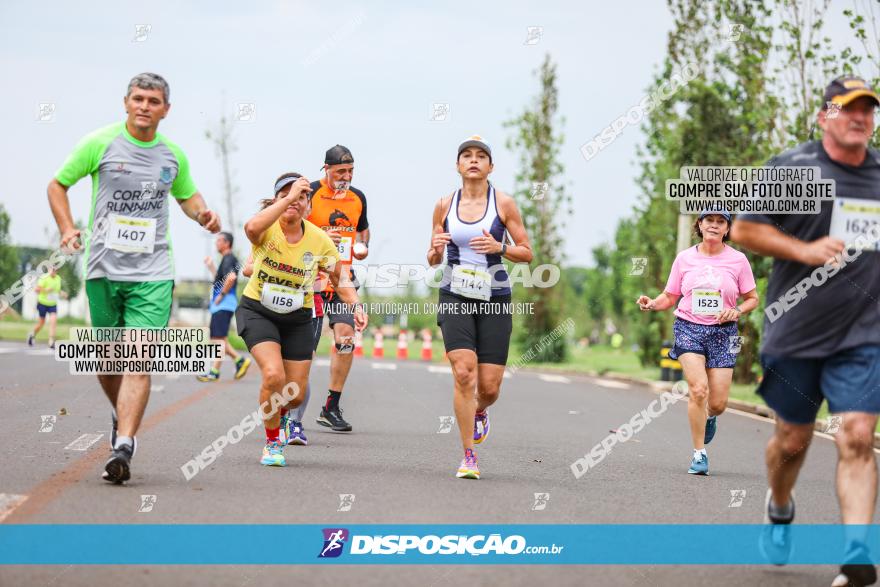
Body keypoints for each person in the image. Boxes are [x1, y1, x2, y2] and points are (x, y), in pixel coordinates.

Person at [731, 76, 880, 587]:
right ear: (824, 117)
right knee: (791, 440)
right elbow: (744, 230)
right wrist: (805, 250)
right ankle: (778, 504)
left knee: (858, 435)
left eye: (868, 110)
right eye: (849, 109)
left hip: (865, 333)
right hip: (797, 329)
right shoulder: (796, 169)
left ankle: (858, 555)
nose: (861, 118)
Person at [47, 72, 221, 484]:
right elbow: (57, 184)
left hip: (153, 271)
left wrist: (204, 213)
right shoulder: (99, 143)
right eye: (138, 98)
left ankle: (124, 443)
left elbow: (187, 195)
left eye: (153, 100)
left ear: (166, 109)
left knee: (138, 357)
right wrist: (67, 227)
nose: (145, 106)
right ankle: (120, 414)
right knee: (107, 361)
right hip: (103, 269)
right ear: (125, 102)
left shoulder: (172, 155)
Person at [238, 172, 367, 467]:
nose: (294, 199)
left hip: (297, 318)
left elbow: (339, 277)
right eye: (285, 194)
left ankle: (283, 416)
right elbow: (250, 226)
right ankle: (272, 443)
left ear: (309, 205)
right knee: (273, 376)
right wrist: (287, 198)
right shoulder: (265, 229)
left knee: (294, 395)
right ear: (276, 201)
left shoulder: (319, 240)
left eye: (300, 195)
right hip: (258, 310)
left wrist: (356, 305)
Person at [427, 135, 533, 479]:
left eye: (481, 156)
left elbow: (527, 252)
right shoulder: (444, 205)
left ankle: (480, 410)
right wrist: (434, 249)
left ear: (490, 166)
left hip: (495, 296)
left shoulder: (504, 204)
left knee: (488, 387)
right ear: (458, 165)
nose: (473, 160)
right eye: (467, 156)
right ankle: (468, 455)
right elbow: (432, 258)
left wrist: (498, 246)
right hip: (455, 292)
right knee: (463, 372)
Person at [637, 210, 758, 475]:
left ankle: (711, 417)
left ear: (727, 229)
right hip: (688, 327)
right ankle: (699, 453)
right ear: (700, 225)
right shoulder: (685, 258)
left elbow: (752, 298)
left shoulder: (738, 261)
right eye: (709, 221)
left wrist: (737, 311)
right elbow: (671, 296)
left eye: (720, 222)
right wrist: (652, 303)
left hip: (724, 333)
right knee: (698, 390)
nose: (714, 225)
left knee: (717, 403)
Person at [288, 145, 370, 436]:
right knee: (303, 351)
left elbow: (363, 230)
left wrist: (362, 248)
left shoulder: (357, 197)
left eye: (350, 171)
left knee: (346, 338)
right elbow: (291, 226)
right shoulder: (309, 191)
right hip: (309, 279)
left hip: (341, 277)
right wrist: (322, 236)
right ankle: (292, 414)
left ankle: (331, 406)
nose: (345, 177)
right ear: (326, 169)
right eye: (340, 172)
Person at [197, 231, 251, 381]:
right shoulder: (226, 259)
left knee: (217, 338)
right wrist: (212, 267)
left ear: (227, 243)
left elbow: (231, 278)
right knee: (221, 339)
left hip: (223, 304)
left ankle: (215, 370)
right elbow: (221, 279)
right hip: (223, 305)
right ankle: (240, 361)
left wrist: (221, 296)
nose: (216, 243)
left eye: (219, 240)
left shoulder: (228, 258)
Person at [27, 267, 67, 348]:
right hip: (42, 303)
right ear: (49, 270)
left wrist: (62, 293)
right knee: (41, 323)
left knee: (53, 321)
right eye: (52, 269)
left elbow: (57, 290)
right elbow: (36, 290)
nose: (53, 271)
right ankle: (32, 334)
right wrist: (45, 290)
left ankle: (51, 342)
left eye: (55, 269)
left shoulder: (58, 278)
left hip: (52, 304)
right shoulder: (44, 277)